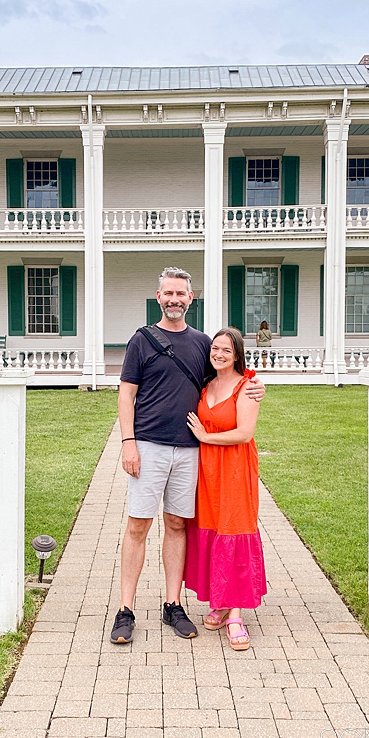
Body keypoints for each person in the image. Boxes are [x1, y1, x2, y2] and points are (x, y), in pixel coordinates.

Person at [112, 267, 264, 644]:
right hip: (147, 446)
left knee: (178, 525)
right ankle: (126, 609)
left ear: (190, 298)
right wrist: (127, 442)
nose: (174, 299)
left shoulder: (201, 343)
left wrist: (256, 384)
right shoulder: (141, 341)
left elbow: (228, 374)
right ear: (158, 296)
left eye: (181, 293)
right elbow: (126, 395)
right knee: (138, 526)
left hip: (190, 452)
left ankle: (173, 604)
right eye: (168, 293)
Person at [183, 326, 266, 651]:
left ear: (237, 355)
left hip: (234, 469)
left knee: (234, 531)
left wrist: (206, 438)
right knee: (213, 532)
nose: (218, 354)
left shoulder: (247, 387)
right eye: (215, 348)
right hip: (208, 472)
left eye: (226, 351)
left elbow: (245, 433)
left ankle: (235, 614)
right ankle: (218, 602)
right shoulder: (206, 384)